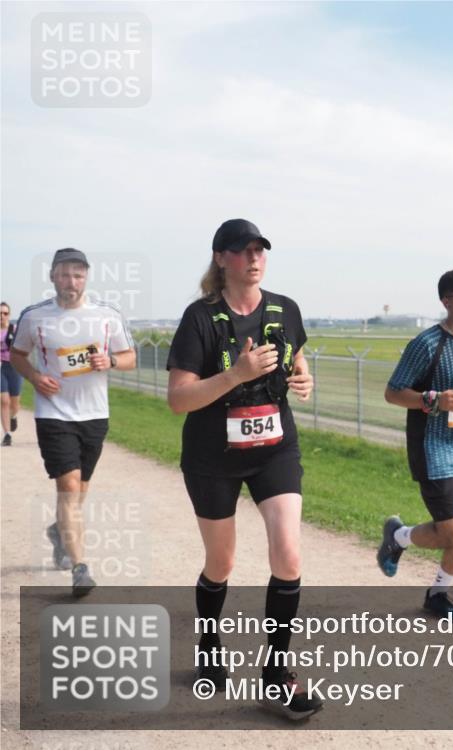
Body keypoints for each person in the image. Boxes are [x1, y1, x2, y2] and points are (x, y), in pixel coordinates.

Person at [166, 219, 322, 721]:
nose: (253, 258)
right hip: (213, 455)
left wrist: (302, 378)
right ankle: (210, 645)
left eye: (260, 250)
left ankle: (276, 676)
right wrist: (236, 374)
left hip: (275, 446)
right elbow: (178, 399)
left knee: (289, 553)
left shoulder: (285, 309)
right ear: (220, 259)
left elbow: (298, 360)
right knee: (223, 562)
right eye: (242, 251)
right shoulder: (200, 318)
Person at [376, 269, 453, 620]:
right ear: (446, 301)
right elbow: (392, 392)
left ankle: (438, 594)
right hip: (433, 449)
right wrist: (432, 400)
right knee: (452, 531)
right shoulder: (428, 344)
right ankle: (398, 537)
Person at [10, 249, 136, 595]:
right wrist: (35, 377)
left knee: (80, 490)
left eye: (78, 275)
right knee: (67, 487)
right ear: (52, 277)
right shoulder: (35, 317)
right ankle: (81, 569)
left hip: (95, 415)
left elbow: (130, 358)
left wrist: (109, 360)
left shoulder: (107, 315)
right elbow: (18, 356)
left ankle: (58, 531)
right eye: (65, 275)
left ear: (87, 278)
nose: (71, 282)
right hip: (54, 414)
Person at [2, 302, 24, 446]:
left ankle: (14, 416)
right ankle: (7, 434)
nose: (2, 316)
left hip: (15, 367)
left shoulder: (15, 329)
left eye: (5, 313)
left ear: (9, 315)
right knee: (4, 401)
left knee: (15, 403)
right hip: (0, 367)